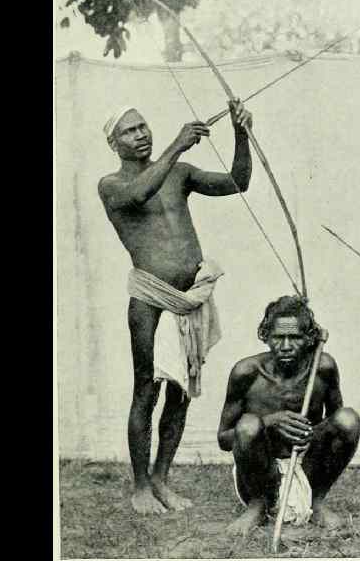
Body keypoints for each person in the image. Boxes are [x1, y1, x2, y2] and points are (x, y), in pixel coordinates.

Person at [97, 99, 253, 515]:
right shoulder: (111, 184)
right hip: (151, 296)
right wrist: (177, 146)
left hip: (190, 299)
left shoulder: (178, 174)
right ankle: (141, 487)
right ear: (114, 143)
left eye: (143, 125)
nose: (141, 134)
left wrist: (241, 133)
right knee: (146, 390)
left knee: (180, 393)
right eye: (129, 131)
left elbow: (238, 182)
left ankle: (162, 478)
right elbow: (141, 191)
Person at [217, 296, 360, 535]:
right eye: (277, 337)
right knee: (248, 425)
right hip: (261, 472)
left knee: (348, 419)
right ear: (265, 335)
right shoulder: (246, 372)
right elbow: (224, 439)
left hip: (306, 465)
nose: (285, 346)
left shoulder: (322, 368)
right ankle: (257, 506)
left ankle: (316, 501)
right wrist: (270, 422)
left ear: (309, 339)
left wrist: (309, 434)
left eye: (294, 337)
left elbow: (336, 427)